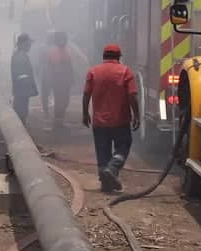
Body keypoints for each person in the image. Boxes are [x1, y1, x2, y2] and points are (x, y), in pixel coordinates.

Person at [81, 43, 139, 192]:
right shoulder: (126, 71)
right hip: (120, 121)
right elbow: (132, 96)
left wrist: (85, 113)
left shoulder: (93, 71)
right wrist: (136, 115)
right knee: (123, 146)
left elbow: (86, 94)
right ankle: (112, 169)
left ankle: (106, 183)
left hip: (99, 122)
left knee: (102, 152)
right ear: (119, 57)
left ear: (103, 56)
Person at [41, 31, 75, 130]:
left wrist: (71, 79)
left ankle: (59, 121)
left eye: (64, 39)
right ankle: (58, 123)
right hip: (58, 81)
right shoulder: (53, 51)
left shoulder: (65, 50)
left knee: (65, 101)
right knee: (60, 101)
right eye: (60, 39)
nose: (62, 41)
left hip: (65, 81)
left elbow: (69, 66)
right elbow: (56, 67)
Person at [10, 33, 38, 125]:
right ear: (23, 44)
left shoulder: (20, 54)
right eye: (28, 43)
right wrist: (29, 87)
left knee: (22, 112)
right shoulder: (20, 56)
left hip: (22, 92)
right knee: (21, 113)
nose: (30, 46)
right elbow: (21, 76)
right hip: (22, 92)